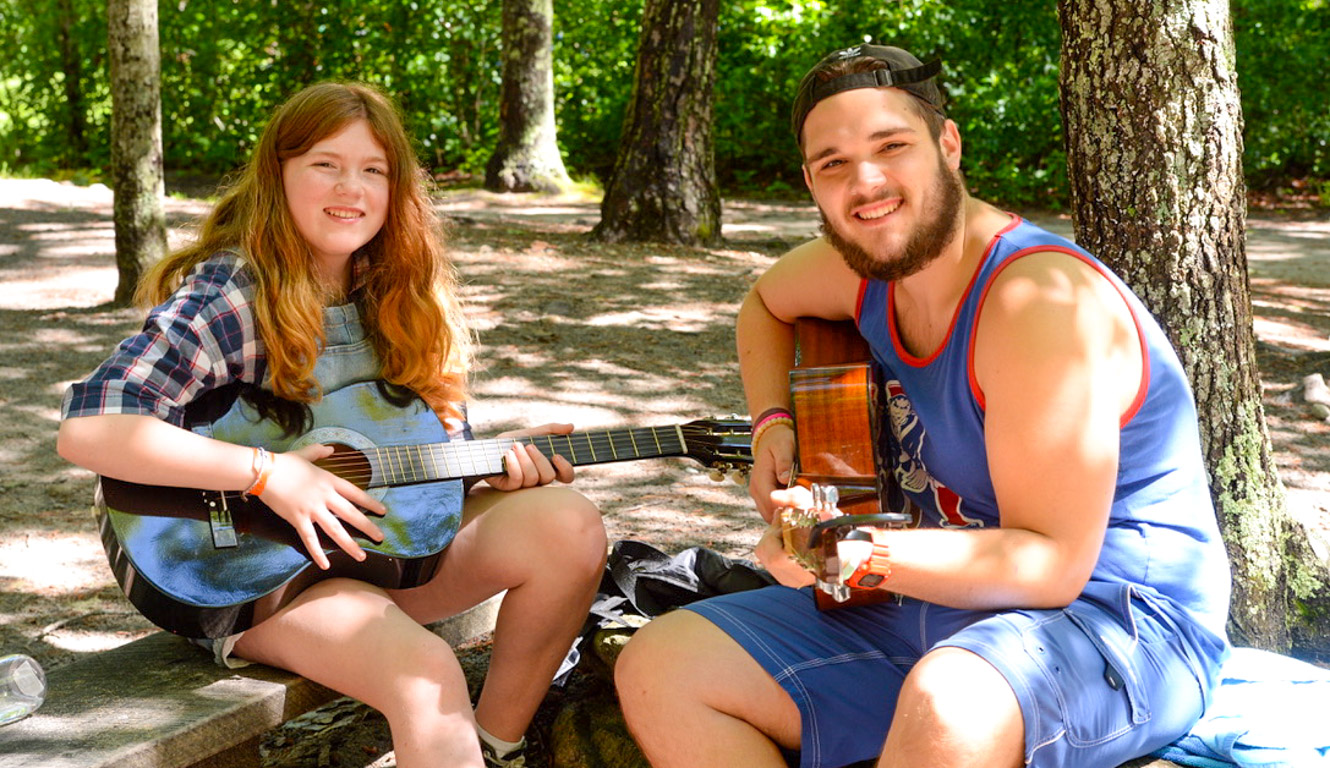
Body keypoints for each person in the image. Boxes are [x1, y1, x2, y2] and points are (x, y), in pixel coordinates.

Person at [614, 44, 1232, 768]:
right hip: (930, 604)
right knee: (662, 666)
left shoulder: (1035, 304)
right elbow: (765, 304)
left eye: (892, 146)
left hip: (1111, 624)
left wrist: (844, 553)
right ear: (811, 182)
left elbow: (1052, 563)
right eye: (834, 163)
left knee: (948, 705)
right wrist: (772, 426)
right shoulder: (868, 264)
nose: (866, 182)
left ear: (948, 144)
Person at [57, 82, 607, 768]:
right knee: (425, 674)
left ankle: (495, 747)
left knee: (568, 523)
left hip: (375, 549)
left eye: (373, 169)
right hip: (251, 575)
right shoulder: (232, 292)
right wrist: (268, 474)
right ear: (278, 172)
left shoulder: (403, 290)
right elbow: (90, 428)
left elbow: (417, 451)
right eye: (326, 164)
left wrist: (486, 467)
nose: (351, 187)